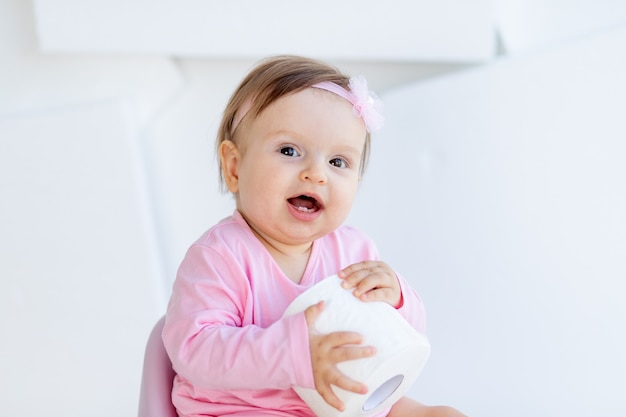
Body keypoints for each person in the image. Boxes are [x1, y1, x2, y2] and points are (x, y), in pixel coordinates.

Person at [162, 55, 465, 417]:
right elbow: (194, 349)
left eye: (338, 162)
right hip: (245, 408)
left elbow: (393, 340)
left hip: (342, 403)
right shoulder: (220, 257)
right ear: (234, 167)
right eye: (289, 151)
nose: (316, 174)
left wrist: (398, 300)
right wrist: (295, 354)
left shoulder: (354, 251)